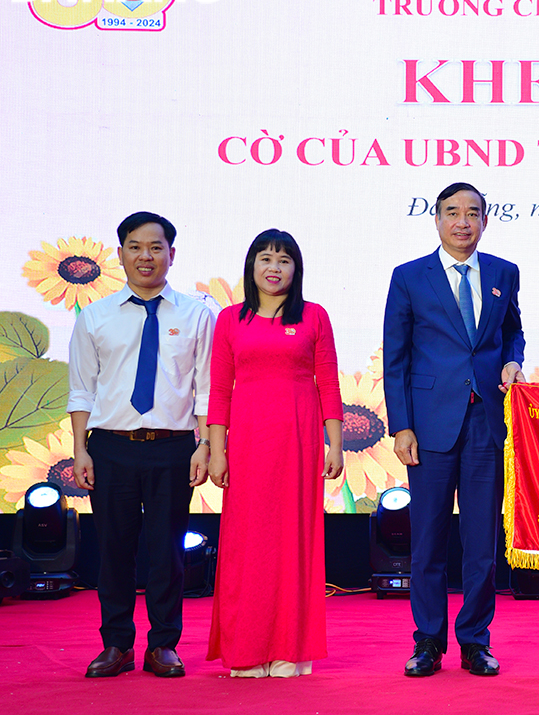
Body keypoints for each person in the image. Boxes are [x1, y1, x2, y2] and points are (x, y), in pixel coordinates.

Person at [383, 182, 526, 678]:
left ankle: (474, 640)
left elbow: (512, 331)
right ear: (437, 220)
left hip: (486, 420)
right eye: (452, 213)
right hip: (429, 426)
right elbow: (396, 356)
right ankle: (427, 642)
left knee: (481, 542)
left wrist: (512, 362)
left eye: (472, 213)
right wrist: (401, 426)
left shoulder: (504, 273)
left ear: (485, 220)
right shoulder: (409, 277)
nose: (463, 222)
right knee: (427, 540)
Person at [68, 211, 214, 678]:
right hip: (110, 446)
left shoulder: (197, 314)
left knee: (166, 550)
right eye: (135, 247)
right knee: (113, 549)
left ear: (172, 254)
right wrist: (80, 448)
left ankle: (163, 645)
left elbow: (206, 389)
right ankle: (116, 645)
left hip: (173, 447)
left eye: (155, 247)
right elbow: (81, 389)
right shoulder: (95, 316)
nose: (145, 256)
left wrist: (204, 445)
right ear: (120, 254)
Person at [205, 229, 344, 678]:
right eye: (265, 258)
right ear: (251, 267)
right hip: (246, 444)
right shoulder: (230, 319)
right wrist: (216, 451)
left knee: (293, 542)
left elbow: (330, 384)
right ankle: (247, 650)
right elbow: (219, 391)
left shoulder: (314, 317)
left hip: (299, 442)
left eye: (284, 260)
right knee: (248, 544)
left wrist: (335, 443)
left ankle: (290, 650)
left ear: (296, 270)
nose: (274, 268)